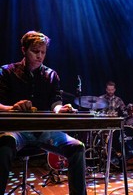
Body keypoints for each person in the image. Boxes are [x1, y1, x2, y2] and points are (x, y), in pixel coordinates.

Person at [0, 31, 87, 195]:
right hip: (16, 131)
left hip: (44, 132)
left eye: (43, 52)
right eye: (35, 51)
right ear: (23, 50)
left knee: (77, 148)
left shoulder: (51, 75)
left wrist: (59, 109)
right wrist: (12, 108)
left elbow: (55, 101)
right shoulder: (6, 72)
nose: (39, 56)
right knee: (3, 146)